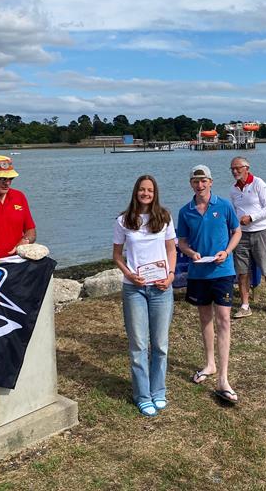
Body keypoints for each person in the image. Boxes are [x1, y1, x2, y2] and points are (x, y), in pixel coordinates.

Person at [112, 175, 177, 418]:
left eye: (149, 190)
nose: (145, 194)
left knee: (160, 344)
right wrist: (129, 274)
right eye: (141, 190)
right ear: (135, 192)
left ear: (155, 193)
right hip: (134, 288)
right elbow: (117, 255)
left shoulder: (165, 217)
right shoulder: (123, 220)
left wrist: (170, 276)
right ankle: (142, 395)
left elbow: (172, 249)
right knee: (138, 344)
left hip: (161, 288)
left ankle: (158, 390)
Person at [177, 164, 242, 404]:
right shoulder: (186, 211)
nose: (200, 184)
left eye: (204, 180)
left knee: (224, 319)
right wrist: (190, 252)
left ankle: (223, 378)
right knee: (205, 319)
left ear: (211, 182)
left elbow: (237, 231)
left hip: (223, 271)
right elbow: (182, 241)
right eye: (196, 181)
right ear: (191, 183)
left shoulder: (224, 205)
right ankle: (210, 364)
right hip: (198, 273)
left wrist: (227, 251)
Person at [229, 156, 266, 317]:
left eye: (238, 168)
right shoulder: (233, 190)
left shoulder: (258, 184)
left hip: (261, 231)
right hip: (241, 234)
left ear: (246, 167)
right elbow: (234, 212)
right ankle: (245, 306)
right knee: (242, 271)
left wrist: (251, 218)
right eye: (232, 169)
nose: (235, 171)